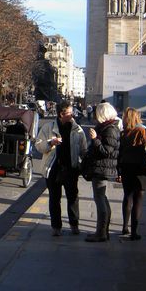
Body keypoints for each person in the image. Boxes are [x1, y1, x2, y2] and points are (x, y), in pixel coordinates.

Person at [35, 101, 87, 237]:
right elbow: (39, 146)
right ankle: (56, 227)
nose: (72, 115)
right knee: (54, 198)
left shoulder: (77, 129)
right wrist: (50, 143)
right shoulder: (48, 128)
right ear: (61, 114)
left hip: (71, 169)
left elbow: (83, 149)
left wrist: (84, 164)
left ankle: (74, 224)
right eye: (70, 113)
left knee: (73, 197)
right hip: (53, 169)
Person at [117, 108, 146, 240]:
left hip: (126, 168)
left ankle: (125, 227)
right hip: (142, 169)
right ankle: (134, 232)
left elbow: (119, 154)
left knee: (128, 196)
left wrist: (118, 170)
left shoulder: (123, 134)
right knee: (139, 199)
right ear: (138, 118)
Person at [84, 102, 120, 242]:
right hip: (101, 167)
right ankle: (103, 231)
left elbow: (107, 152)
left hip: (102, 168)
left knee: (100, 200)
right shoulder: (108, 127)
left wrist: (95, 139)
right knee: (102, 198)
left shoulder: (109, 129)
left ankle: (101, 233)